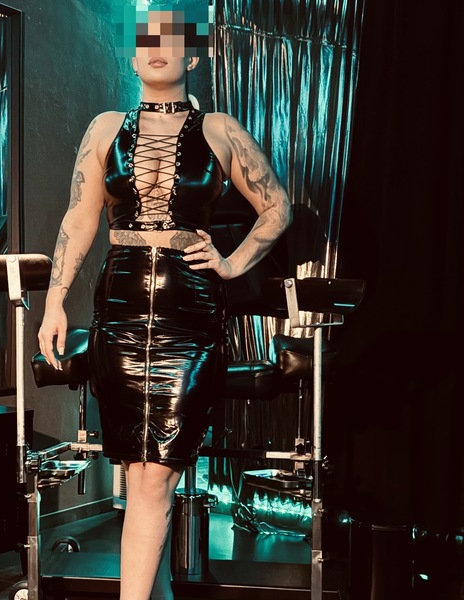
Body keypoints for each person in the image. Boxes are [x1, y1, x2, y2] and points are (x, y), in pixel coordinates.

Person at [38, 53, 292, 600]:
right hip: (120, 309)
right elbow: (79, 217)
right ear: (133, 56)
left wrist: (232, 264)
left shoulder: (221, 129)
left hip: (190, 312)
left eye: (173, 33)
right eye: (148, 33)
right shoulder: (105, 127)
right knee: (139, 473)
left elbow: (277, 208)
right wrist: (54, 301)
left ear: (192, 53)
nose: (159, 44)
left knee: (156, 476)